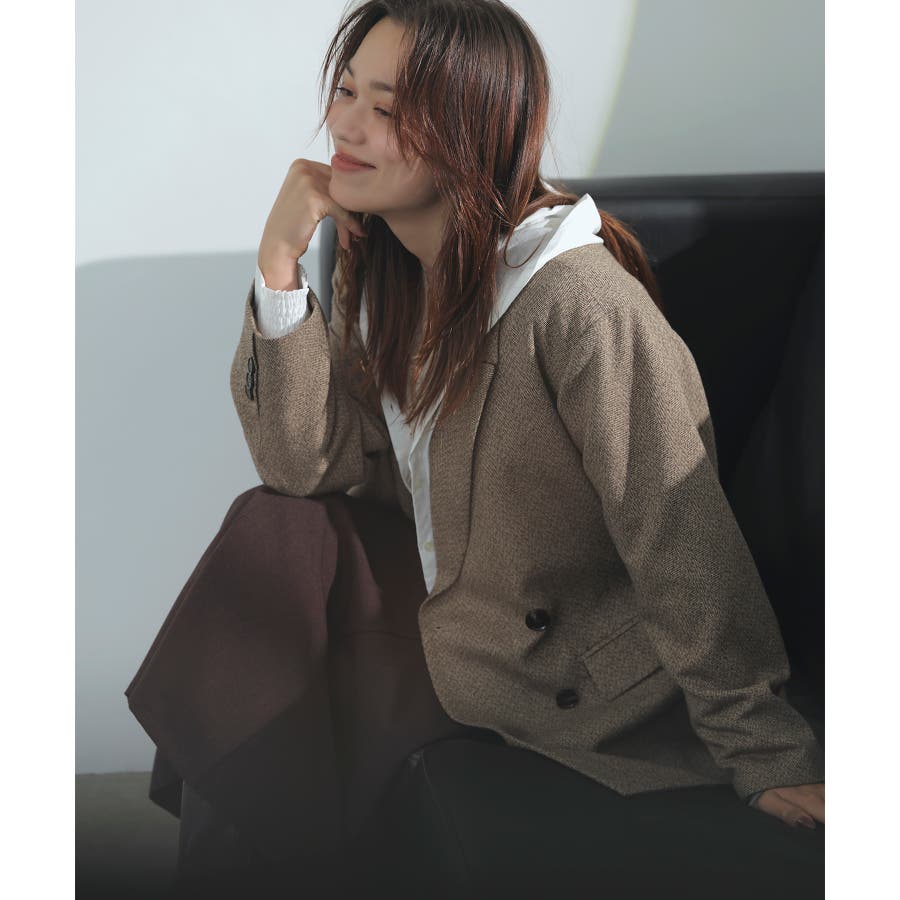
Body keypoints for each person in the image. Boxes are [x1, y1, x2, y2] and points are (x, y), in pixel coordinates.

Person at [179, 0, 825, 895]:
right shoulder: (400, 270)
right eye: (345, 90)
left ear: (473, 130)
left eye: (387, 107)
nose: (345, 125)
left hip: (569, 678)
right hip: (459, 623)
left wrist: (767, 751)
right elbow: (301, 467)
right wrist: (279, 267)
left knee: (260, 689)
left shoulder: (580, 306)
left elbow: (678, 528)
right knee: (271, 531)